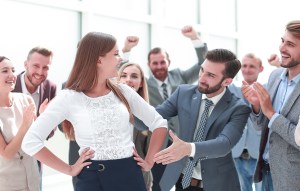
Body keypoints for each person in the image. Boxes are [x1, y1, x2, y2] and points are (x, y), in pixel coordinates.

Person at [22, 32, 168, 191]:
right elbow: (30, 142)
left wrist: (149, 162)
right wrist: (69, 169)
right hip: (92, 181)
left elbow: (159, 122)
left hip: (130, 176)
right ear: (99, 60)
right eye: (116, 54)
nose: (120, 59)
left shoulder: (124, 91)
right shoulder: (69, 98)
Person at [141, 48, 251, 191]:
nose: (202, 78)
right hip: (183, 183)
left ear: (227, 81)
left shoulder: (239, 108)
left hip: (217, 185)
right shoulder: (183, 93)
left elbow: (224, 144)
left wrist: (188, 148)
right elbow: (153, 117)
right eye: (202, 70)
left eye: (210, 75)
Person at [124, 25, 208, 191]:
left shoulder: (181, 77)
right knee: (158, 186)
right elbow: (124, 75)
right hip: (158, 147)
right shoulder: (145, 84)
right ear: (149, 65)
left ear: (168, 62)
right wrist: (126, 49)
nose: (159, 66)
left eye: (163, 62)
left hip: (183, 143)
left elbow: (203, 64)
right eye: (155, 63)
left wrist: (195, 38)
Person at [241, 20, 300, 191]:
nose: (282, 48)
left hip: (293, 178)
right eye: (282, 41)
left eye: (290, 44)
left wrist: (270, 112)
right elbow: (261, 126)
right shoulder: (275, 76)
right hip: (266, 170)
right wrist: (257, 107)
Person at [12, 46, 57, 188]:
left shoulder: (51, 87)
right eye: (36, 66)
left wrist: (43, 121)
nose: (40, 72)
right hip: (8, 157)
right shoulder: (8, 85)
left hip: (35, 158)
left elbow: (52, 128)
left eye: (46, 68)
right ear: (26, 64)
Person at [0, 56, 40, 191]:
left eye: (13, 70)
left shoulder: (26, 100)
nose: (12, 75)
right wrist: (25, 125)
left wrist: (44, 118)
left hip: (33, 179)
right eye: (5, 71)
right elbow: (6, 153)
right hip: (8, 183)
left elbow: (36, 140)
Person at [229, 53, 263, 191]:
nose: (247, 70)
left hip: (259, 153)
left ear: (261, 69)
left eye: (252, 66)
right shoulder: (231, 89)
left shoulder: (267, 89)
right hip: (236, 152)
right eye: (244, 66)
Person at [118, 62, 153, 191]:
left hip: (139, 177)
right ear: (118, 80)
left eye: (134, 76)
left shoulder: (149, 113)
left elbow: (150, 152)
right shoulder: (107, 109)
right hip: (110, 175)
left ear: (141, 82)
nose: (128, 80)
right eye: (124, 75)